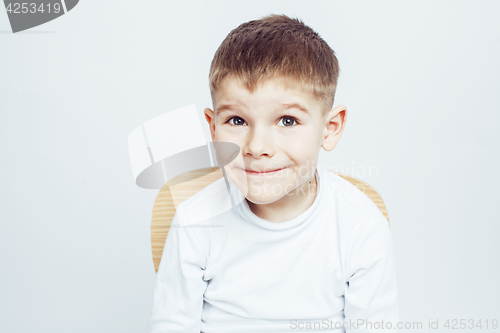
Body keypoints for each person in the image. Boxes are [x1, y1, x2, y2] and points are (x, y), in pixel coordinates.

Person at [148, 14, 399, 333]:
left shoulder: (359, 226)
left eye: (288, 121)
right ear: (213, 128)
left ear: (330, 128)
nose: (257, 147)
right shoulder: (196, 220)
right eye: (237, 121)